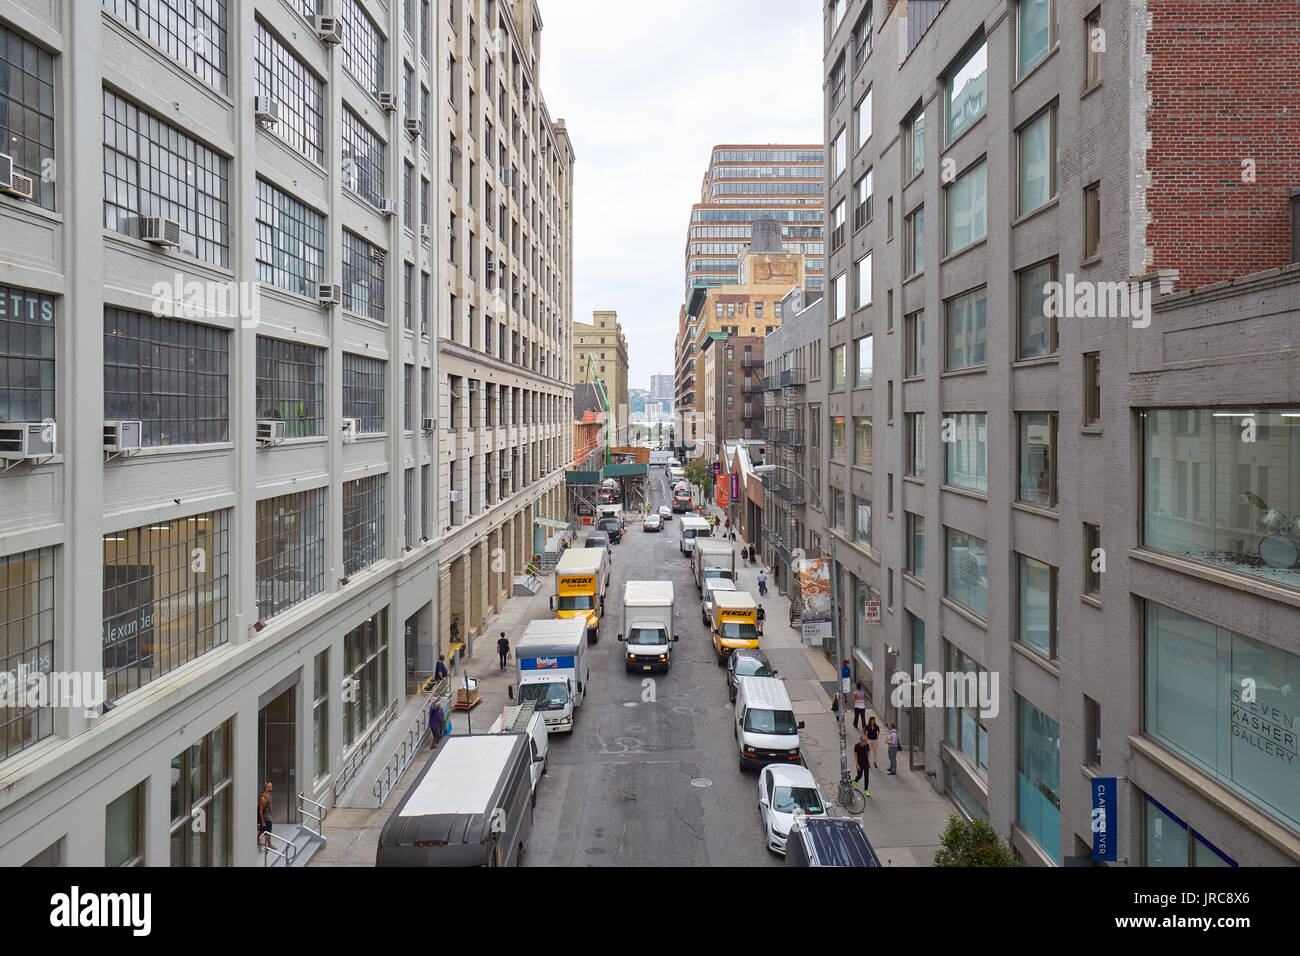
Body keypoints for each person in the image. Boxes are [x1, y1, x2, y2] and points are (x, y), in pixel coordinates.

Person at [257, 781, 273, 850]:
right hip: (266, 817)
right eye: (270, 787)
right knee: (268, 830)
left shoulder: (269, 794)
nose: (272, 788)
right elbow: (260, 811)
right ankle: (269, 844)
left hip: (269, 814)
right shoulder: (263, 798)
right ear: (266, 788)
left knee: (262, 829)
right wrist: (262, 821)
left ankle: (258, 840)